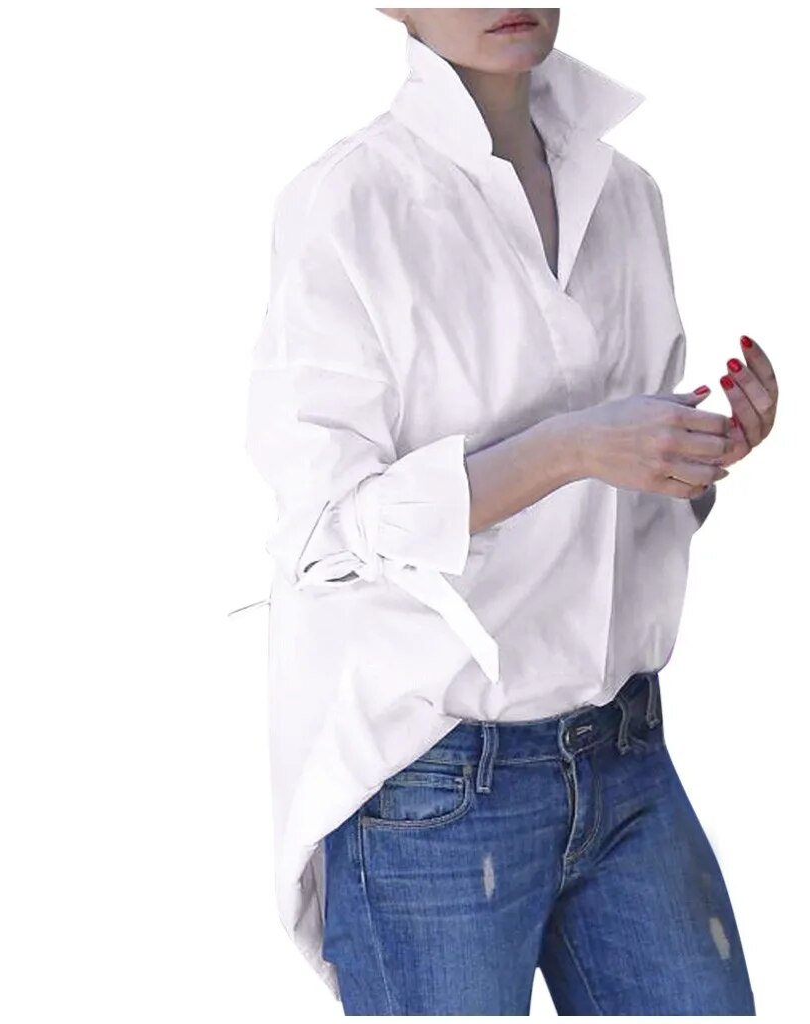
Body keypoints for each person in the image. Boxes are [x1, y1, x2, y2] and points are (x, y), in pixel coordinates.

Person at [241, 7, 777, 1015]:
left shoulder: (627, 196)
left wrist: (693, 457)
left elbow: (621, 525)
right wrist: (570, 448)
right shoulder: (349, 205)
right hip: (435, 781)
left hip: (625, 757)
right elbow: (325, 533)